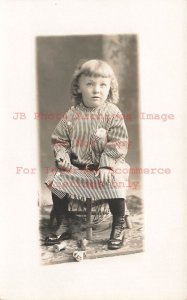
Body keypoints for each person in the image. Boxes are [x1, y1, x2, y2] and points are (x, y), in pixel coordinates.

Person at [45, 59, 130, 250]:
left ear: (110, 88)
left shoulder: (112, 113)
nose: (96, 90)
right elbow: (60, 140)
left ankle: (118, 223)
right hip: (79, 169)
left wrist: (107, 164)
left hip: (106, 169)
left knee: (116, 179)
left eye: (103, 85)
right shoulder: (72, 115)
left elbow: (118, 142)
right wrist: (63, 157)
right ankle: (63, 220)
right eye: (90, 84)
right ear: (78, 86)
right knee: (56, 176)